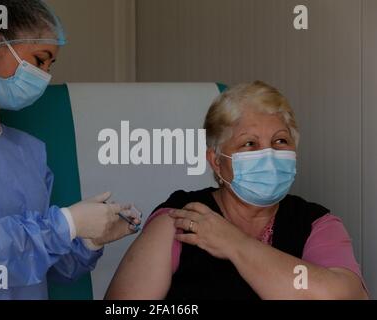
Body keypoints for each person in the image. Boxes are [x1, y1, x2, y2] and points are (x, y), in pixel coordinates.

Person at [0, 0, 140, 300]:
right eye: (39, 61)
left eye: (50, 65)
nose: (45, 76)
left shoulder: (28, 150)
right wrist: (66, 224)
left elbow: (42, 265)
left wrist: (88, 238)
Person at [105, 81, 368, 300]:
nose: (269, 154)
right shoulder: (183, 219)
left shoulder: (315, 224)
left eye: (280, 140)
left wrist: (235, 244)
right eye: (250, 144)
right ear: (216, 162)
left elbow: (344, 297)